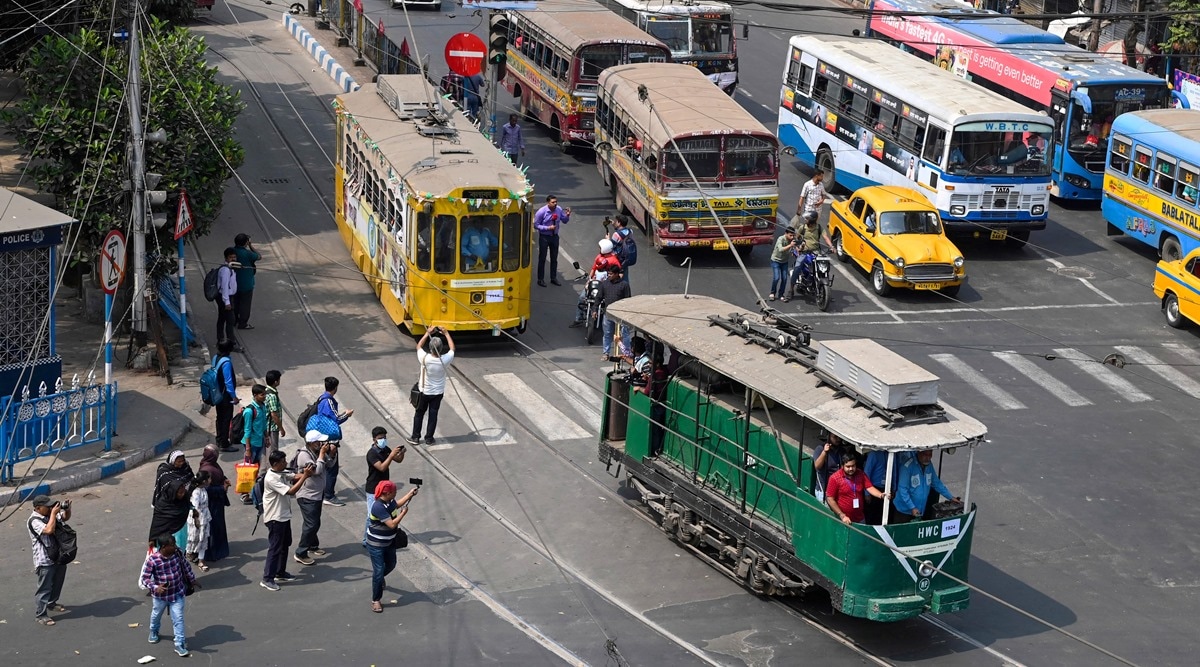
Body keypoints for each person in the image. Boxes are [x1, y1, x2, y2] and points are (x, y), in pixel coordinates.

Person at [260, 450, 314, 591]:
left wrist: (308, 472)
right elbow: (291, 492)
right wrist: (305, 477)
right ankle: (267, 578)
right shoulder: (271, 478)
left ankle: (280, 572)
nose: (285, 463)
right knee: (275, 548)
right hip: (275, 518)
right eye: (283, 461)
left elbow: (295, 476)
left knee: (285, 544)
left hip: (284, 516)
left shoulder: (281, 472)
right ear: (276, 464)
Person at [139, 534, 198, 657]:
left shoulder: (178, 554)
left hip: (177, 593)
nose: (175, 546)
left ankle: (179, 644)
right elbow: (145, 579)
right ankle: (154, 631)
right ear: (164, 547)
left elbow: (185, 566)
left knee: (178, 619)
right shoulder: (153, 560)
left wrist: (192, 579)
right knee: (156, 615)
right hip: (160, 597)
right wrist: (156, 587)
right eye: (172, 545)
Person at [365, 480, 419, 613]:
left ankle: (378, 579)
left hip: (389, 541)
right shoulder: (378, 506)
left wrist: (410, 494)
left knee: (391, 564)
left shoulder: (388, 501)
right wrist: (403, 514)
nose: (396, 493)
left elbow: (397, 504)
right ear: (387, 493)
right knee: (378, 570)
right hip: (376, 544)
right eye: (394, 492)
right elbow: (392, 524)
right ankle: (376, 600)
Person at [28, 494, 72, 626]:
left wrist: (67, 509)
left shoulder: (49, 515)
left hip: (58, 556)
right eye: (46, 507)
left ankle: (52, 603)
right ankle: (41, 615)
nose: (49, 508)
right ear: (38, 508)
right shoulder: (34, 520)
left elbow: (64, 517)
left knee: (58, 582)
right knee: (44, 588)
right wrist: (53, 514)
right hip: (44, 560)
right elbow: (48, 530)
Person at [293, 431, 334, 566]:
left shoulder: (315, 452)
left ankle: (312, 545)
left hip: (316, 494)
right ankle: (301, 552)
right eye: (319, 442)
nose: (321, 444)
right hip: (307, 495)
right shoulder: (304, 456)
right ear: (311, 443)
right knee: (311, 524)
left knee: (313, 522)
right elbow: (317, 471)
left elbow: (330, 465)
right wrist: (322, 454)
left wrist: (331, 454)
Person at [411, 326, 456, 446]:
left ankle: (415, 437)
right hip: (438, 393)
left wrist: (427, 333)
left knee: (419, 414)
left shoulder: (424, 358)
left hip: (424, 392)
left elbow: (418, 346)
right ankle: (429, 438)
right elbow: (452, 348)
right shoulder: (445, 359)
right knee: (433, 415)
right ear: (441, 349)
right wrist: (446, 333)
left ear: (430, 349)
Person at [364, 426, 406, 545]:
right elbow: (382, 467)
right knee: (371, 515)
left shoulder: (385, 449)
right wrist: (391, 456)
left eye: (384, 437)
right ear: (374, 440)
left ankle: (382, 533)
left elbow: (398, 460)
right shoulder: (371, 454)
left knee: (385, 512)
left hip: (384, 488)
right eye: (380, 438)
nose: (383, 440)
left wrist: (401, 454)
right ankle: (366, 538)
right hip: (373, 489)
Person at [893, 449, 960, 522]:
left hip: (919, 510)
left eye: (930, 455)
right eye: (925, 455)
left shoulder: (929, 465)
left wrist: (950, 497)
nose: (928, 458)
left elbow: (936, 483)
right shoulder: (907, 467)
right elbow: (903, 490)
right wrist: (912, 507)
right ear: (919, 452)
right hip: (904, 512)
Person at [570, 238, 622, 328]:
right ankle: (578, 318)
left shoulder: (614, 261)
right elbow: (593, 269)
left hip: (606, 285)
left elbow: (620, 273)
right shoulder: (599, 257)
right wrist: (589, 280)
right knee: (582, 298)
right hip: (595, 283)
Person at [826, 456, 889, 525]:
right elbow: (830, 499)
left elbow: (869, 487)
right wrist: (842, 515)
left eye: (853, 466)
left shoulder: (860, 474)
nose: (851, 469)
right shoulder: (834, 478)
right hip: (843, 519)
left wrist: (881, 495)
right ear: (842, 466)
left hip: (859, 518)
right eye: (848, 466)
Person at [783, 214, 831, 303]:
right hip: (804, 253)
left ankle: (826, 292)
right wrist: (797, 246)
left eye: (807, 218)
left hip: (816, 252)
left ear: (811, 220)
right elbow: (795, 238)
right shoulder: (803, 228)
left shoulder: (819, 228)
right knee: (797, 267)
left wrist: (831, 246)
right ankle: (791, 290)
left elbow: (826, 237)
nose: (805, 219)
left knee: (825, 267)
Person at [198, 445, 231, 562]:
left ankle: (219, 548)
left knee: (218, 525)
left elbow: (219, 475)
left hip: (217, 501)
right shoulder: (206, 469)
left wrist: (224, 479)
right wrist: (223, 488)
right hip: (212, 503)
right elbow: (206, 489)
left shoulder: (213, 465)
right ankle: (212, 552)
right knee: (213, 526)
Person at [862, 450, 913, 525]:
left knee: (887, 515)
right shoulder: (874, 454)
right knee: (873, 516)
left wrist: (894, 488)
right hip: (874, 489)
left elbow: (894, 470)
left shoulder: (892, 453)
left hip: (888, 488)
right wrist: (866, 493)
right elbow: (866, 473)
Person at [534, 195, 571, 287]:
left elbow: (564, 220)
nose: (555, 204)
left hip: (554, 237)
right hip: (544, 237)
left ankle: (553, 278)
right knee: (542, 258)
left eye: (556, 202)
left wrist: (567, 215)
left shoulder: (558, 209)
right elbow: (536, 225)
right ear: (548, 203)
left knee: (554, 259)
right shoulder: (541, 212)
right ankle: (540, 279)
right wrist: (548, 228)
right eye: (553, 202)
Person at [598, 266, 632, 361]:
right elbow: (599, 297)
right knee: (607, 333)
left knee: (625, 333)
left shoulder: (624, 285)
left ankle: (627, 354)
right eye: (608, 274)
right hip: (608, 314)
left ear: (617, 274)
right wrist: (594, 310)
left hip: (621, 315)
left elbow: (628, 299)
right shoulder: (604, 284)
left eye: (611, 274)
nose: (609, 276)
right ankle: (606, 353)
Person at [149, 478, 192, 552]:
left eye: (183, 492)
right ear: (173, 492)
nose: (182, 495)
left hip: (181, 532)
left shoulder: (185, 499)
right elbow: (156, 523)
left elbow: (190, 505)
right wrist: (152, 538)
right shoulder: (162, 505)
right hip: (166, 537)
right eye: (180, 493)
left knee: (180, 552)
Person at [212, 340, 240, 452]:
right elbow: (228, 382)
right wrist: (234, 397)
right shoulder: (226, 362)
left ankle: (219, 439)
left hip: (217, 393)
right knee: (226, 418)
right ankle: (224, 443)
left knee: (219, 417)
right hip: (225, 395)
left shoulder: (216, 358)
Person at [232, 233, 261, 330]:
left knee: (235, 302)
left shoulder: (232, 251)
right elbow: (259, 256)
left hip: (233, 283)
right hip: (246, 284)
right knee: (245, 305)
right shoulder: (248, 254)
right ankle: (243, 323)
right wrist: (250, 245)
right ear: (246, 243)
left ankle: (234, 320)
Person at [186, 471, 212, 571]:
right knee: (194, 538)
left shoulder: (203, 490)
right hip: (198, 519)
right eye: (209, 478)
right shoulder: (196, 492)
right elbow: (195, 508)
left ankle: (201, 561)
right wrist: (197, 521)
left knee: (203, 539)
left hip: (204, 518)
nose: (210, 480)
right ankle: (189, 553)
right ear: (204, 481)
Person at [215, 248, 239, 350]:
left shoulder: (231, 268)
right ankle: (231, 344)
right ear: (226, 258)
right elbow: (224, 286)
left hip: (228, 297)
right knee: (230, 320)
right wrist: (227, 302)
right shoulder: (225, 270)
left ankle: (220, 340)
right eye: (230, 257)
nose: (233, 259)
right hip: (225, 298)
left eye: (234, 257)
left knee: (222, 318)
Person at [242, 384, 269, 467]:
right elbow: (247, 430)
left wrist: (266, 437)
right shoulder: (249, 411)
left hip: (260, 441)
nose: (264, 397)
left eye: (265, 394)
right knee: (250, 466)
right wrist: (248, 449)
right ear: (255, 395)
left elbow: (264, 424)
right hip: (251, 443)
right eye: (262, 395)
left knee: (257, 465)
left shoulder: (263, 406)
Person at [768, 227, 797, 301]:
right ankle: (772, 293)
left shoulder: (793, 240)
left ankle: (781, 294)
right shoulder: (780, 239)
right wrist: (790, 245)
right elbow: (781, 249)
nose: (792, 237)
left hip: (784, 262)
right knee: (776, 278)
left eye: (793, 235)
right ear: (786, 233)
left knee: (784, 278)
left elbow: (796, 249)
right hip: (776, 261)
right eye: (790, 235)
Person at [263, 369, 285, 455]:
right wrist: (281, 428)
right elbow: (274, 415)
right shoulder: (272, 395)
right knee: (273, 450)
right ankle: (273, 466)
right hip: (272, 427)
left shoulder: (266, 390)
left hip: (267, 426)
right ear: (276, 382)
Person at [608, 214, 636, 282]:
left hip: (618, 258)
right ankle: (626, 290)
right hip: (626, 258)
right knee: (625, 276)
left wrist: (608, 239)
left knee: (616, 276)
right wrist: (614, 226)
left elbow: (611, 246)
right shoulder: (630, 231)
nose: (615, 222)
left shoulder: (616, 234)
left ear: (619, 223)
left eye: (616, 221)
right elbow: (622, 232)